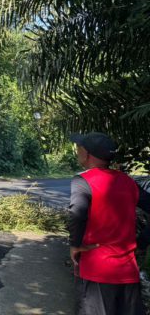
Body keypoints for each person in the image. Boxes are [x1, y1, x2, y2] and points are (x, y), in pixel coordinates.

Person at [69, 132, 150, 315]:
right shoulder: (128, 182)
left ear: (87, 154)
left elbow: (76, 215)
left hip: (96, 270)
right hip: (128, 272)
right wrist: (142, 242)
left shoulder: (83, 181)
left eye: (79, 148)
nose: (77, 151)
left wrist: (74, 245)